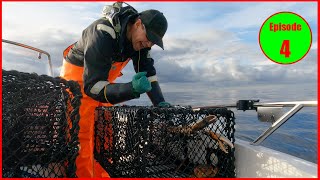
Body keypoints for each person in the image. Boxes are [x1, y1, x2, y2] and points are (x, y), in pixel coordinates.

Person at [60, 2, 171, 177]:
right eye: (148, 36)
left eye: (153, 41)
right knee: (82, 134)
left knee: (107, 134)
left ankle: (102, 175)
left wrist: (160, 102)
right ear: (137, 24)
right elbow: (92, 86)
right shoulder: (102, 32)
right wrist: (131, 89)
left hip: (103, 85)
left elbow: (148, 73)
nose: (148, 43)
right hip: (79, 83)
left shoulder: (142, 42)